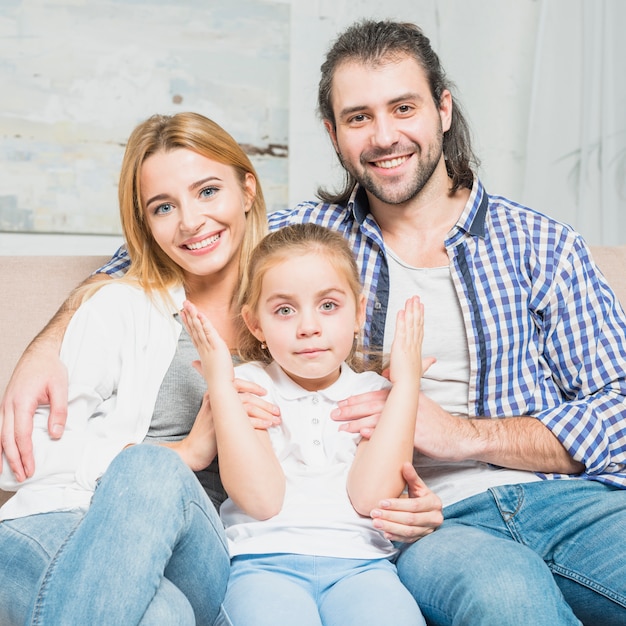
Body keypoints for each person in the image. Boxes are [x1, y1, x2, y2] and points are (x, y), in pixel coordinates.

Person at [8, 15, 624, 625]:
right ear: (333, 134)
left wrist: (461, 434)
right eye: (359, 118)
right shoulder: (303, 239)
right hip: (418, 522)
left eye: (402, 108)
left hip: (563, 497)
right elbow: (159, 252)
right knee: (506, 596)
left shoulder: (544, 245)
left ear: (443, 109)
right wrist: (52, 337)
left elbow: (618, 407)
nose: (383, 136)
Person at [0, 110, 272, 624]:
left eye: (208, 191)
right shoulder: (118, 307)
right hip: (61, 525)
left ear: (248, 190)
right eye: (164, 206)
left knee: (154, 473)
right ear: (145, 223)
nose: (191, 221)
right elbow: (16, 459)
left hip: (198, 551)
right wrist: (183, 452)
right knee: (163, 612)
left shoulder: (294, 319)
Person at [182, 222, 428, 626]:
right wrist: (221, 384)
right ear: (256, 324)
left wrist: (406, 384)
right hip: (263, 566)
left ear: (359, 313)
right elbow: (262, 500)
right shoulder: (250, 387)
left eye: (328, 305)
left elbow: (371, 497)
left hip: (363, 567)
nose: (308, 326)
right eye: (284, 310)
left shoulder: (372, 392)